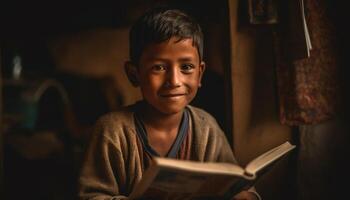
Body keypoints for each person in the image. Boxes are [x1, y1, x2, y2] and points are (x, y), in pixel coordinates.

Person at [78, 6, 261, 200]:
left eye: (186, 67)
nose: (174, 80)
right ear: (134, 74)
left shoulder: (206, 128)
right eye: (158, 67)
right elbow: (91, 196)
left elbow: (233, 183)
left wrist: (245, 195)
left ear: (200, 73)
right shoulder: (112, 131)